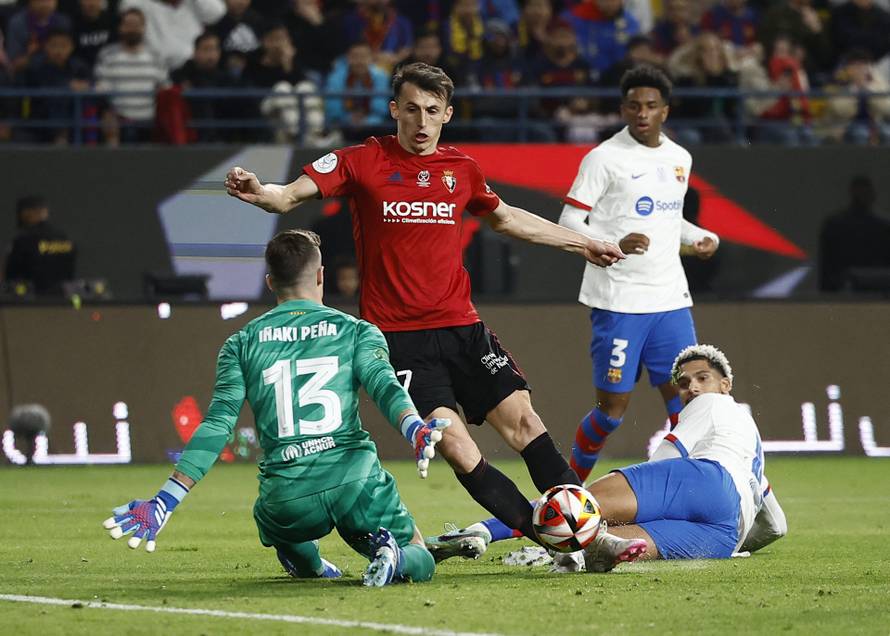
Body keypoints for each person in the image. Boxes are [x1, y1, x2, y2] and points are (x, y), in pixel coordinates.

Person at [224, 62, 625, 559]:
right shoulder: (362, 161)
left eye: (433, 111)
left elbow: (507, 219)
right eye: (412, 109)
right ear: (394, 109)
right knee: (457, 446)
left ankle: (591, 536)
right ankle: (554, 542)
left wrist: (583, 243)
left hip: (463, 329)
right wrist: (261, 192)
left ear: (447, 114)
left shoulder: (462, 170)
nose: (421, 121)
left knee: (525, 423)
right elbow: (286, 197)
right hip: (400, 341)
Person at [102, 229, 449, 587]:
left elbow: (218, 425)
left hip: (287, 498)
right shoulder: (357, 332)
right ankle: (394, 556)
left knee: (281, 529)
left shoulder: (241, 344)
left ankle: (312, 566)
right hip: (354, 481)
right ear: (320, 275)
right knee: (417, 553)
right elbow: (384, 386)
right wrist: (413, 427)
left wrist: (166, 498)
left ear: (270, 282)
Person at [435, 344, 788, 573]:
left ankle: (484, 530)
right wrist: (735, 541)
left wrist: (640, 494)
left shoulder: (710, 403)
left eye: (702, 378)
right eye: (683, 383)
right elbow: (775, 527)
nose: (692, 388)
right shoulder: (751, 443)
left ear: (725, 385)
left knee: (576, 505)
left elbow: (666, 458)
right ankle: (577, 553)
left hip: (704, 480)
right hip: (725, 534)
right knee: (606, 544)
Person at [558, 65, 719, 482]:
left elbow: (671, 221)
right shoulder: (604, 158)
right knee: (611, 413)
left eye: (650, 105)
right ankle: (567, 489)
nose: (642, 113)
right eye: (633, 105)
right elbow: (569, 221)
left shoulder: (680, 158)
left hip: (670, 301)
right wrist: (614, 241)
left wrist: (700, 237)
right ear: (623, 109)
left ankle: (688, 493)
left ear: (665, 110)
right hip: (619, 301)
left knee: (689, 406)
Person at [819, 175, 890, 291]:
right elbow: (828, 266)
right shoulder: (835, 225)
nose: (862, 195)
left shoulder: (834, 225)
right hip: (848, 287)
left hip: (868, 288)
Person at [4, 195, 76, 295]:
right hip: (62, 298)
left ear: (27, 212)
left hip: (31, 299)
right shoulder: (64, 238)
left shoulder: (23, 240)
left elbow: (10, 275)